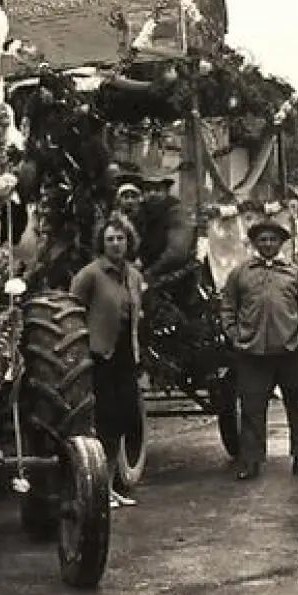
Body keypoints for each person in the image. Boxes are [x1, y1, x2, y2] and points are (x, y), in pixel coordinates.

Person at [219, 217, 298, 480]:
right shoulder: (241, 273)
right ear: (254, 243)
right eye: (262, 239)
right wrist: (235, 336)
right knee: (252, 408)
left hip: (289, 353)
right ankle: (251, 460)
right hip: (252, 354)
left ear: (281, 243)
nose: (267, 244)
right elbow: (228, 307)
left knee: (297, 405)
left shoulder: (295, 274)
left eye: (273, 239)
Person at [70, 214, 146, 508]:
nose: (116, 244)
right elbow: (72, 312)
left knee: (125, 419)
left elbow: (135, 316)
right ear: (102, 243)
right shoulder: (90, 274)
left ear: (129, 241)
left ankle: (111, 485)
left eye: (121, 238)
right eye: (110, 239)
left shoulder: (134, 276)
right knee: (104, 421)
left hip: (125, 353)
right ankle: (97, 489)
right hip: (99, 356)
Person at [135, 174, 196, 279]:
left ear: (166, 192)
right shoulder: (142, 212)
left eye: (157, 190)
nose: (152, 194)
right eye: (148, 190)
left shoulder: (176, 213)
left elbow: (177, 253)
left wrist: (150, 272)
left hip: (174, 277)